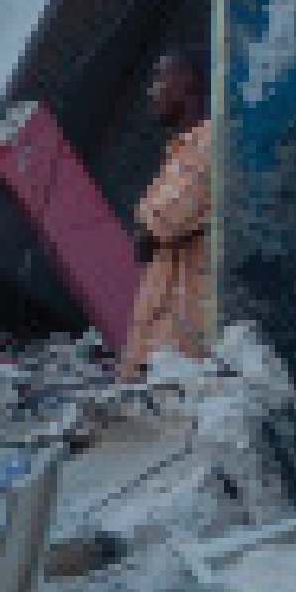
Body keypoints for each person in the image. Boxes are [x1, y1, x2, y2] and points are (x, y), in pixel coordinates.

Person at [124, 47, 212, 379]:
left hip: (182, 336)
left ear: (187, 82)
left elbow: (163, 221)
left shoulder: (208, 143)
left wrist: (147, 225)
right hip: (164, 327)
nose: (152, 90)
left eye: (161, 78)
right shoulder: (179, 151)